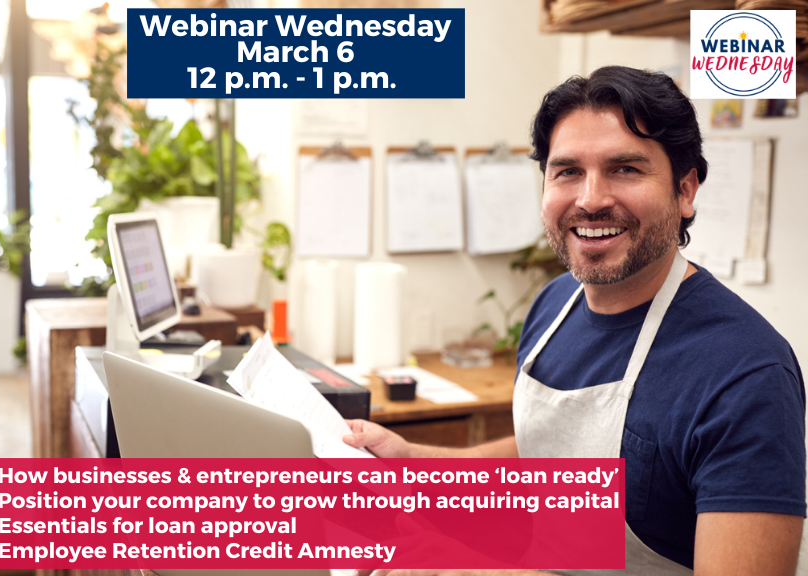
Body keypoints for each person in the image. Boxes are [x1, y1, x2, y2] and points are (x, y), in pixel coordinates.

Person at [345, 66, 806, 576]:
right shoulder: (553, 307)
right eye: (567, 171)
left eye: (625, 169)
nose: (590, 198)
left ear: (685, 190)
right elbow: (549, 447)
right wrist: (415, 462)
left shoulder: (745, 371)